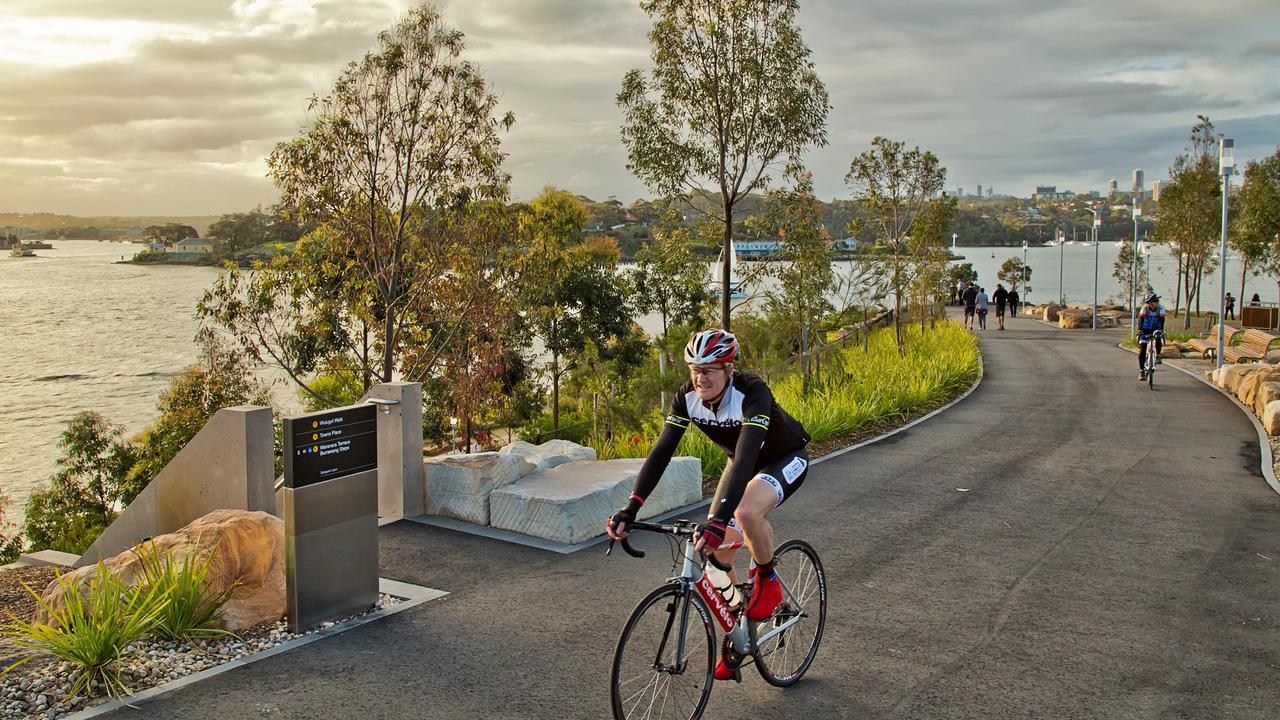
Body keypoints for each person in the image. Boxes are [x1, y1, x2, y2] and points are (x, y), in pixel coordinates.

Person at [607, 329, 811, 681]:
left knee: (745, 511)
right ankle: (739, 630)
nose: (700, 378)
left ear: (728, 369)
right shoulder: (687, 398)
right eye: (695, 370)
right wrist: (631, 507)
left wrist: (718, 518)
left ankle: (767, 579)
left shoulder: (752, 392)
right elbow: (661, 453)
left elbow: (748, 453)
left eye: (710, 370)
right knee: (713, 553)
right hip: (740, 463)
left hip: (782, 457)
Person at [1136, 292, 1166, 381]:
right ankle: (1141, 371)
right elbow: (1140, 322)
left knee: (1158, 337)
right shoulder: (1144, 309)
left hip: (1156, 329)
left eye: (1157, 300)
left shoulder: (1161, 309)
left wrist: (1160, 330)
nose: (1157, 302)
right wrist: (1140, 331)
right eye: (1155, 301)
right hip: (1145, 330)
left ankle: (1158, 355)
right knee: (1143, 348)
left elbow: (1161, 321)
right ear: (1149, 302)